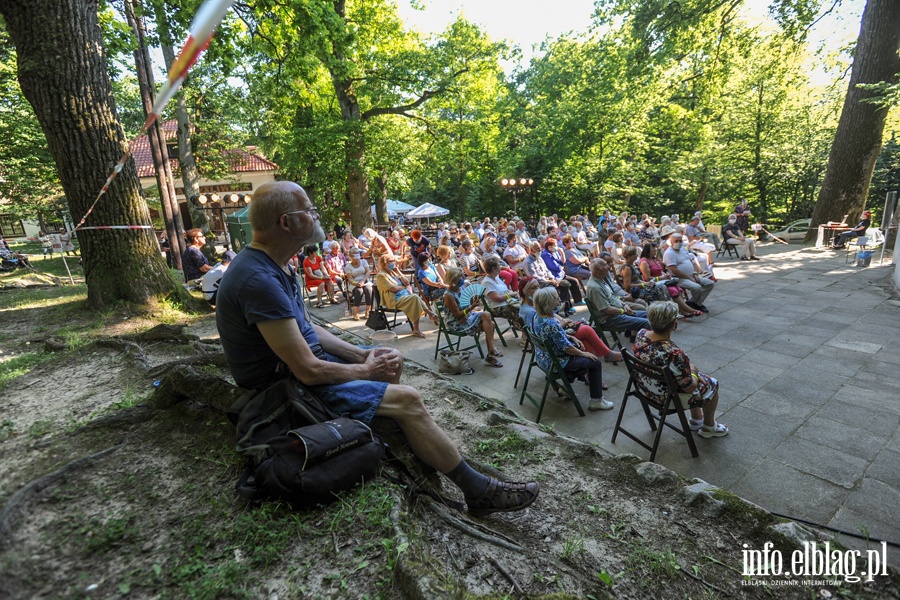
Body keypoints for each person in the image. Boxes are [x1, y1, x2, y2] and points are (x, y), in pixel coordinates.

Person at [215, 181, 538, 516]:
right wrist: (365, 370)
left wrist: (362, 355)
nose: (316, 215)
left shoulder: (278, 265)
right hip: (285, 394)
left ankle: (393, 427)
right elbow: (307, 370)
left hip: (299, 377)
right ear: (286, 223)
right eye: (309, 211)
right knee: (409, 398)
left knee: (390, 359)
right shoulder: (259, 280)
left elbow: (306, 330)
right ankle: (476, 490)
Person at [632, 302, 728, 438]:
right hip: (665, 398)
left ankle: (696, 420)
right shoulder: (673, 353)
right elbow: (690, 388)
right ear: (674, 325)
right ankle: (708, 427)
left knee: (686, 375)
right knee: (711, 383)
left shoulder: (641, 335)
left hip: (644, 389)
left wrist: (689, 373)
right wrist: (693, 371)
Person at [531, 287, 612, 411]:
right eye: (556, 299)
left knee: (582, 345)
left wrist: (572, 338)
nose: (558, 301)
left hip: (543, 358)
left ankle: (566, 387)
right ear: (548, 303)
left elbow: (556, 336)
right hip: (556, 362)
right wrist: (584, 354)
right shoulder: (551, 324)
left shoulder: (537, 317)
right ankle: (596, 401)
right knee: (595, 362)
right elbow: (567, 348)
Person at [440, 268, 503, 367]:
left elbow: (466, 305)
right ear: (453, 280)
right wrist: (471, 307)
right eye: (459, 277)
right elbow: (458, 315)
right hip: (456, 323)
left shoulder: (461, 288)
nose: (462, 278)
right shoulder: (448, 296)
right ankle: (491, 352)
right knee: (489, 320)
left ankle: (491, 352)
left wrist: (473, 304)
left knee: (490, 322)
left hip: (467, 317)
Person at [376, 254, 434, 338]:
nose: (394, 263)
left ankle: (418, 327)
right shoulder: (381, 275)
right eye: (391, 261)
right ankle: (428, 316)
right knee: (414, 298)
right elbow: (393, 289)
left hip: (404, 296)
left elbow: (407, 283)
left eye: (394, 261)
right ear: (384, 263)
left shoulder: (393, 272)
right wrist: (403, 287)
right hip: (394, 299)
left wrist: (399, 272)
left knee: (415, 298)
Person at [585, 258, 651, 332]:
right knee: (648, 323)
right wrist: (623, 311)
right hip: (610, 318)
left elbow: (614, 297)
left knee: (652, 315)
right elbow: (607, 310)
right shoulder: (595, 287)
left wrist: (624, 305)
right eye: (605, 265)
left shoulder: (601, 279)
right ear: (597, 270)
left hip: (618, 312)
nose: (608, 266)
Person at [637, 244, 702, 317]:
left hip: (662, 281)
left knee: (678, 289)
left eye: (655, 248)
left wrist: (666, 274)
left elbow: (660, 271)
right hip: (652, 284)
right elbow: (647, 278)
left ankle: (683, 311)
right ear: (648, 250)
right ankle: (690, 310)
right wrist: (662, 277)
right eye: (653, 248)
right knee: (673, 290)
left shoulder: (654, 260)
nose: (655, 250)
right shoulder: (644, 262)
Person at [662, 233, 714, 312]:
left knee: (709, 283)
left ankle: (693, 302)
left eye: (680, 241)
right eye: (676, 241)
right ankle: (698, 304)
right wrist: (689, 277)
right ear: (671, 242)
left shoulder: (683, 248)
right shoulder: (669, 253)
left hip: (691, 275)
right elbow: (674, 270)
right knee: (697, 287)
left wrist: (694, 273)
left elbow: (690, 261)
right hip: (678, 278)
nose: (679, 243)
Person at [482, 256, 521, 323]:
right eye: (499, 265)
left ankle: (526, 330)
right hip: (497, 307)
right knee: (521, 312)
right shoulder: (487, 282)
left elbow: (505, 290)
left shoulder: (496, 277)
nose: (500, 266)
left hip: (507, 302)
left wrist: (513, 294)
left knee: (527, 305)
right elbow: (498, 299)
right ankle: (525, 330)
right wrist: (511, 294)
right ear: (494, 269)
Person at [344, 247, 373, 321]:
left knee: (368, 289)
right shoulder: (348, 266)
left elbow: (368, 272)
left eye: (358, 254)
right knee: (359, 291)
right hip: (355, 282)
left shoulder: (363, 261)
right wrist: (356, 283)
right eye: (355, 255)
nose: (357, 257)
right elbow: (350, 278)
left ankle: (368, 311)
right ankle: (355, 312)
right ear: (351, 256)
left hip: (365, 280)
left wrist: (363, 281)